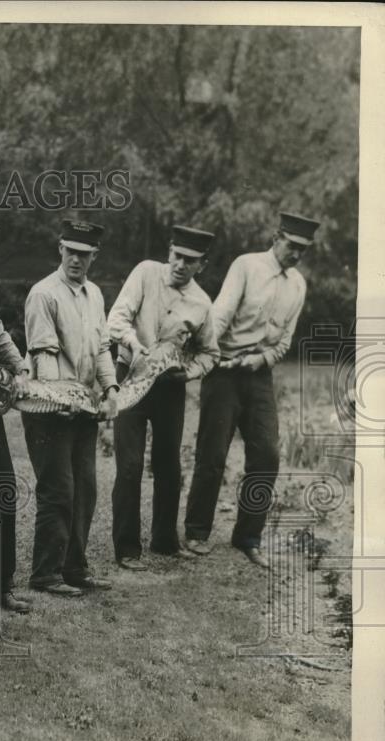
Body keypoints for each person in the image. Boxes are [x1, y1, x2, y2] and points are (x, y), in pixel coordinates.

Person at [184, 211, 318, 568]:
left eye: (303, 249)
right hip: (223, 371)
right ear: (276, 237)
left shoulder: (298, 285)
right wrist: (211, 358)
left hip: (258, 375)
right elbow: (220, 316)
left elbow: (284, 342)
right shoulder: (247, 266)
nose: (296, 254)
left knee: (267, 456)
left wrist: (260, 362)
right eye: (292, 245)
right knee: (212, 455)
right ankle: (197, 532)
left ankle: (247, 537)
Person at [106, 225, 219, 571]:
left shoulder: (201, 302)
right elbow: (116, 318)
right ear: (169, 251)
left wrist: (188, 372)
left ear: (203, 264)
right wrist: (133, 343)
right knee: (129, 465)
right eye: (178, 255)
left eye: (191, 260)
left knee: (169, 465)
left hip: (170, 389)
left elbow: (210, 353)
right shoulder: (145, 273)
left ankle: (165, 540)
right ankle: (127, 549)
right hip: (132, 378)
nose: (181, 265)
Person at [23, 219, 119, 597]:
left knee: (85, 490)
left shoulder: (94, 294)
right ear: (59, 249)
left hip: (83, 406)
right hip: (48, 408)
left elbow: (102, 349)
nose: (76, 259)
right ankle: (45, 574)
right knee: (58, 490)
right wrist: (56, 397)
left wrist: (110, 388)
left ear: (94, 255)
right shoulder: (43, 293)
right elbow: (43, 352)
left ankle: (75, 569)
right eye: (70, 251)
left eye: (84, 253)